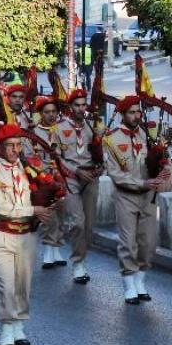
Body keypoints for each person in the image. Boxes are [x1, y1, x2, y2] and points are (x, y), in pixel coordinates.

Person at [0, 124, 53, 345]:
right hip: (3, 234)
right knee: (6, 284)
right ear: (0, 147)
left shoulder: (28, 168)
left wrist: (52, 197)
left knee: (23, 283)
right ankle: (6, 328)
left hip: (26, 235)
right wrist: (33, 210)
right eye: (10, 145)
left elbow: (40, 190)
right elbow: (0, 207)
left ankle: (19, 324)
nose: (15, 150)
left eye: (18, 145)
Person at [103, 95, 170, 304]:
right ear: (122, 115)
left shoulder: (146, 135)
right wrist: (142, 183)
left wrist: (163, 168)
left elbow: (157, 160)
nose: (136, 116)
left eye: (138, 112)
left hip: (148, 196)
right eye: (131, 112)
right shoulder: (111, 139)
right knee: (128, 242)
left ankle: (141, 280)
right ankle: (129, 284)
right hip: (127, 195)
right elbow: (115, 173)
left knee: (148, 243)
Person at [52, 89, 104, 283]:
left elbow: (101, 151)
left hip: (91, 177)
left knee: (89, 225)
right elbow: (57, 157)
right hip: (72, 177)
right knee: (77, 222)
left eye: (84, 105)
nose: (81, 109)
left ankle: (83, 256)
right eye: (77, 105)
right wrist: (75, 170)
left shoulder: (93, 126)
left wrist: (101, 167)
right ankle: (78, 262)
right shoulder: (58, 128)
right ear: (70, 107)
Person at [31, 96, 67, 269]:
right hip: (43, 178)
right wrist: (41, 175)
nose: (51, 115)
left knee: (60, 213)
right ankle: (47, 249)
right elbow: (30, 157)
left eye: (54, 111)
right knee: (47, 214)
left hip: (61, 176)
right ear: (40, 114)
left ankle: (56, 249)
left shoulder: (61, 129)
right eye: (47, 112)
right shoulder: (33, 132)